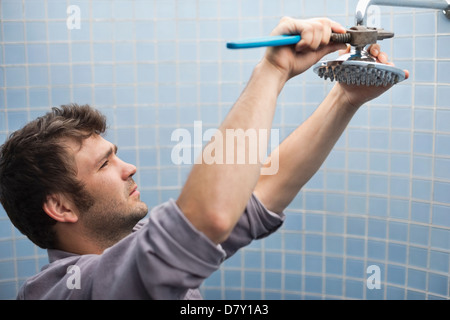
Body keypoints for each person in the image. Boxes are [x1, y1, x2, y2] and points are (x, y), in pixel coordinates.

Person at [0, 17, 408, 300]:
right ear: (60, 205)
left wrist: (344, 98)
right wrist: (272, 68)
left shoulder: (129, 246)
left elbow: (261, 191)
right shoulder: (64, 290)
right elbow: (209, 215)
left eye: (116, 155)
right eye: (105, 164)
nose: (129, 168)